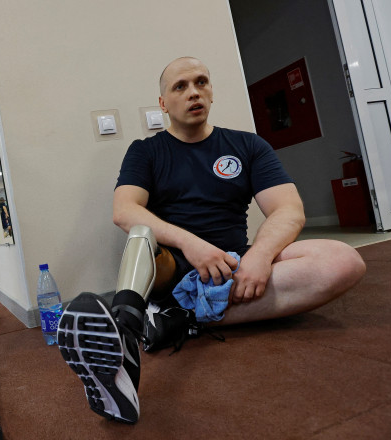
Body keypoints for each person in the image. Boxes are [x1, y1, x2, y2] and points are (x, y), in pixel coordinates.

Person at [57, 57, 366, 424]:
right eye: (180, 86)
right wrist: (191, 244)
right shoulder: (146, 151)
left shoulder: (248, 146)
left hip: (235, 265)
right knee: (141, 233)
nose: (193, 92)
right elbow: (124, 211)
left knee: (344, 260)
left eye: (201, 82)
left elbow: (289, 210)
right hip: (171, 269)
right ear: (163, 103)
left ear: (212, 92)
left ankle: (177, 322)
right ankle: (128, 335)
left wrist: (261, 256)